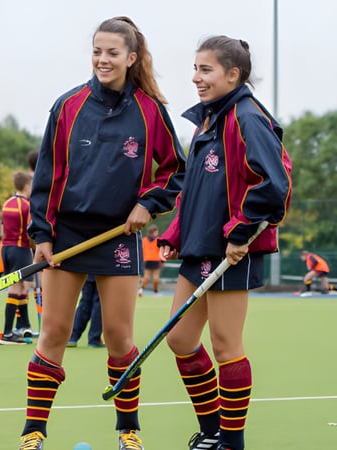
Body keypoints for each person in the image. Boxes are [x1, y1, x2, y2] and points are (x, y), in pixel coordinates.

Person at [20, 17, 186, 450]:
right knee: (54, 332)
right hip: (68, 235)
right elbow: (48, 175)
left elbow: (174, 171)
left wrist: (147, 204)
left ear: (131, 58)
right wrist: (42, 234)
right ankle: (33, 433)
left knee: (118, 336)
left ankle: (127, 429)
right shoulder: (68, 106)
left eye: (112, 52)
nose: (102, 59)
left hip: (118, 235)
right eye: (97, 50)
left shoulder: (150, 110)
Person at [158, 35, 292, 450]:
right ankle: (213, 428)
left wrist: (241, 232)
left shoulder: (248, 118)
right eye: (196, 68)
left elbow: (275, 183)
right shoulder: (208, 120)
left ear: (233, 74)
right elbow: (195, 189)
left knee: (225, 344)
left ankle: (231, 442)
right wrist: (175, 235)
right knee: (180, 339)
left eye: (206, 69)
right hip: (201, 248)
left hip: (234, 250)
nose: (196, 77)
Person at [0, 170, 35, 345]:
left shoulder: (6, 203)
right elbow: (30, 232)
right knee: (16, 287)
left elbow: (1, 229)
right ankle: (7, 333)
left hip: (5, 248)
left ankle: (23, 326)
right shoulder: (26, 206)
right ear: (27, 186)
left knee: (20, 287)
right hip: (20, 248)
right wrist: (35, 249)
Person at [66, 276, 104, 348]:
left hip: (86, 272)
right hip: (102, 271)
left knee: (85, 302)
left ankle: (73, 337)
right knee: (99, 303)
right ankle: (94, 339)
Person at [139, 224, 163, 296]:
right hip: (149, 261)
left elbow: (160, 251)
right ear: (152, 232)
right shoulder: (145, 240)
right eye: (156, 232)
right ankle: (141, 290)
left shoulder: (157, 240)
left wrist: (162, 261)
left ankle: (153, 292)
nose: (157, 233)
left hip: (154, 261)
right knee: (148, 278)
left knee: (154, 278)